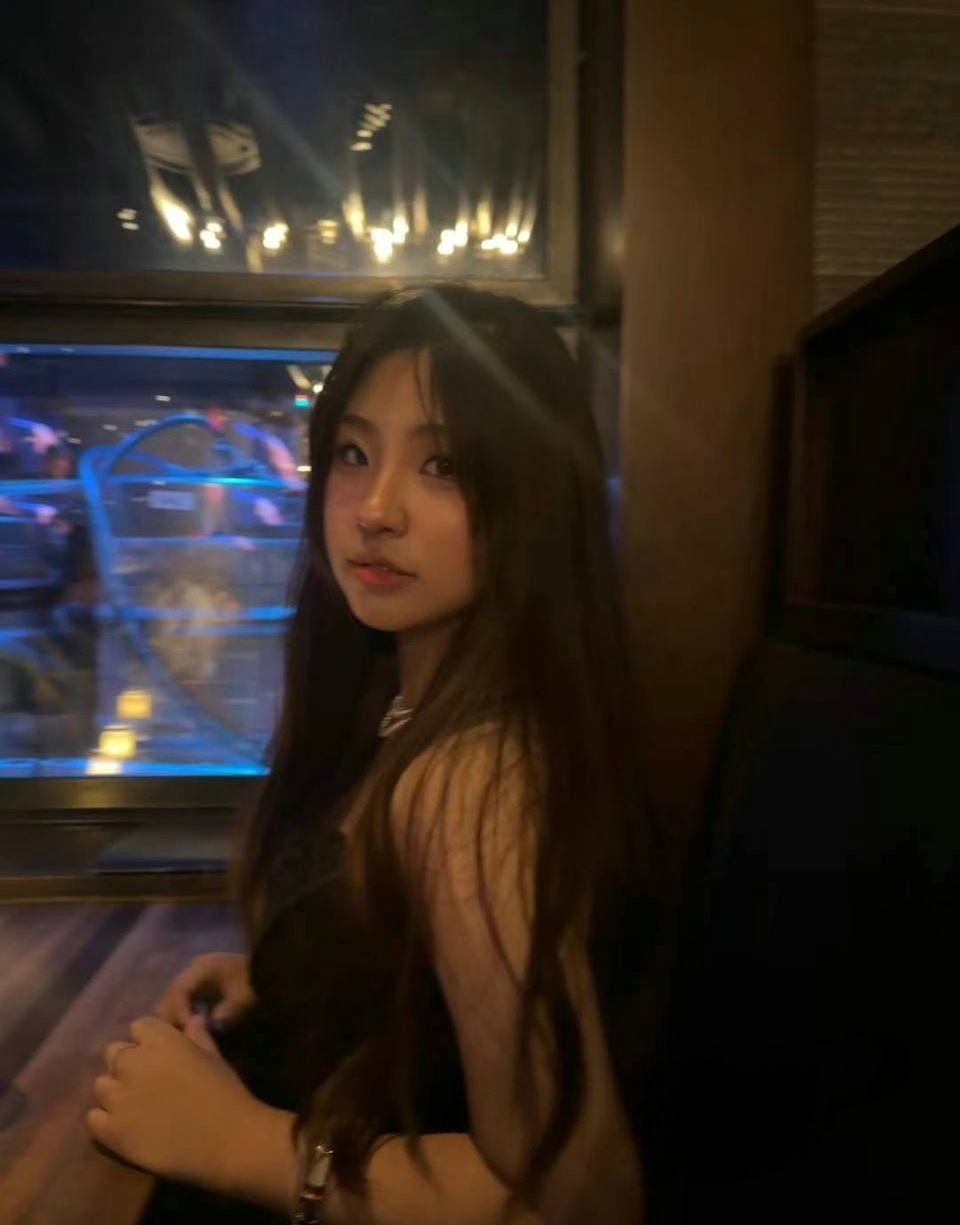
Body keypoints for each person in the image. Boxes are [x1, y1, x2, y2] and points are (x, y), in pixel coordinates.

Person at [87, 287, 660, 1224]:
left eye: (443, 465)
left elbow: (582, 1198)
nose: (376, 508)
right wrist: (295, 983)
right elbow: (427, 986)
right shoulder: (403, 703)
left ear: (535, 497)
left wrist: (235, 1140)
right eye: (353, 454)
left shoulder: (472, 776)